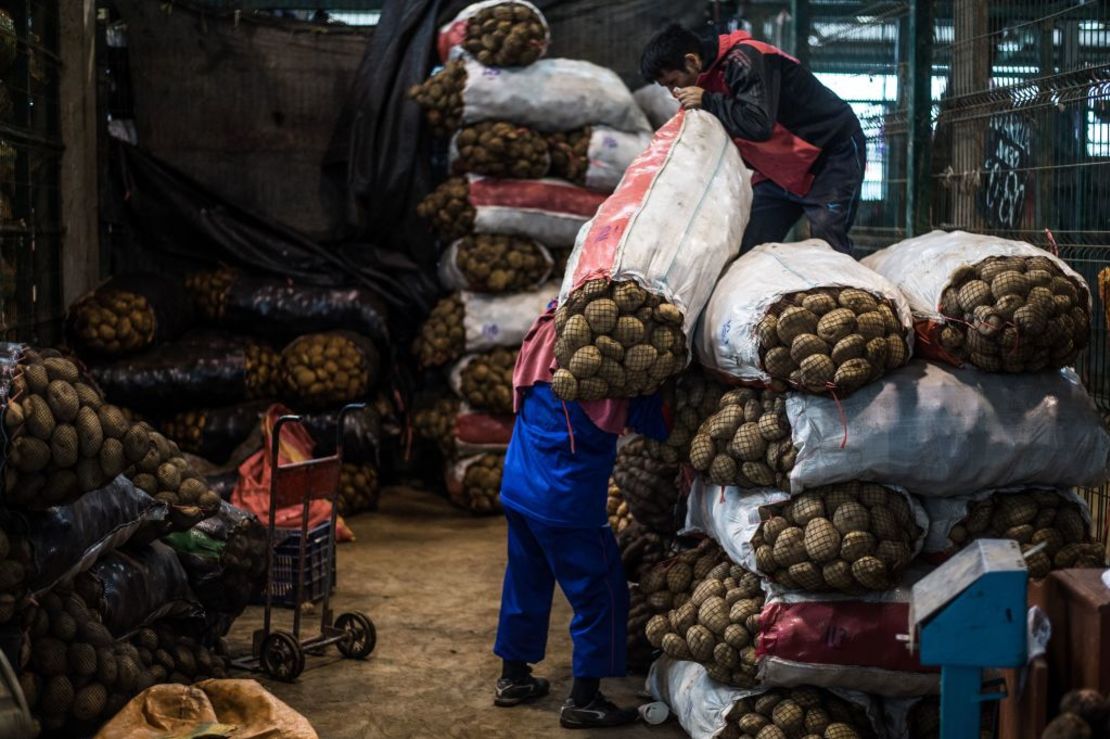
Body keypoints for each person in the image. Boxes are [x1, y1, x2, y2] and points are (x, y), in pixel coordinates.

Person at [492, 303, 669, 729]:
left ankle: (513, 677)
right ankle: (584, 699)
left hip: (519, 487)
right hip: (566, 504)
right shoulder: (604, 368)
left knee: (526, 579)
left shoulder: (544, 336)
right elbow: (655, 422)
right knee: (603, 593)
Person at [640, 23, 866, 255]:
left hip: (830, 153)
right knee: (749, 246)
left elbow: (758, 124)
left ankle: (840, 288)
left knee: (827, 240)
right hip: (778, 169)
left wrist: (709, 101)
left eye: (672, 82)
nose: (673, 92)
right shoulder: (702, 83)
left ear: (691, 61)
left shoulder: (745, 58)